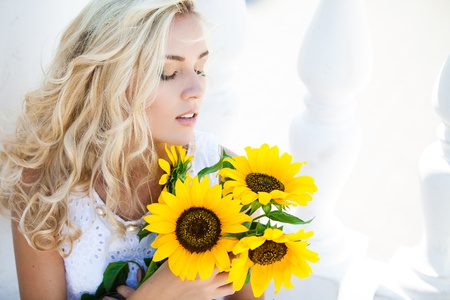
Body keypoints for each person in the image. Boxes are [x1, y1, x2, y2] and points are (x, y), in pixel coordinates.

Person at [0, 0, 264, 299]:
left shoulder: (226, 174)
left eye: (200, 68)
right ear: (108, 80)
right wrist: (157, 293)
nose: (197, 89)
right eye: (167, 72)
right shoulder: (43, 186)